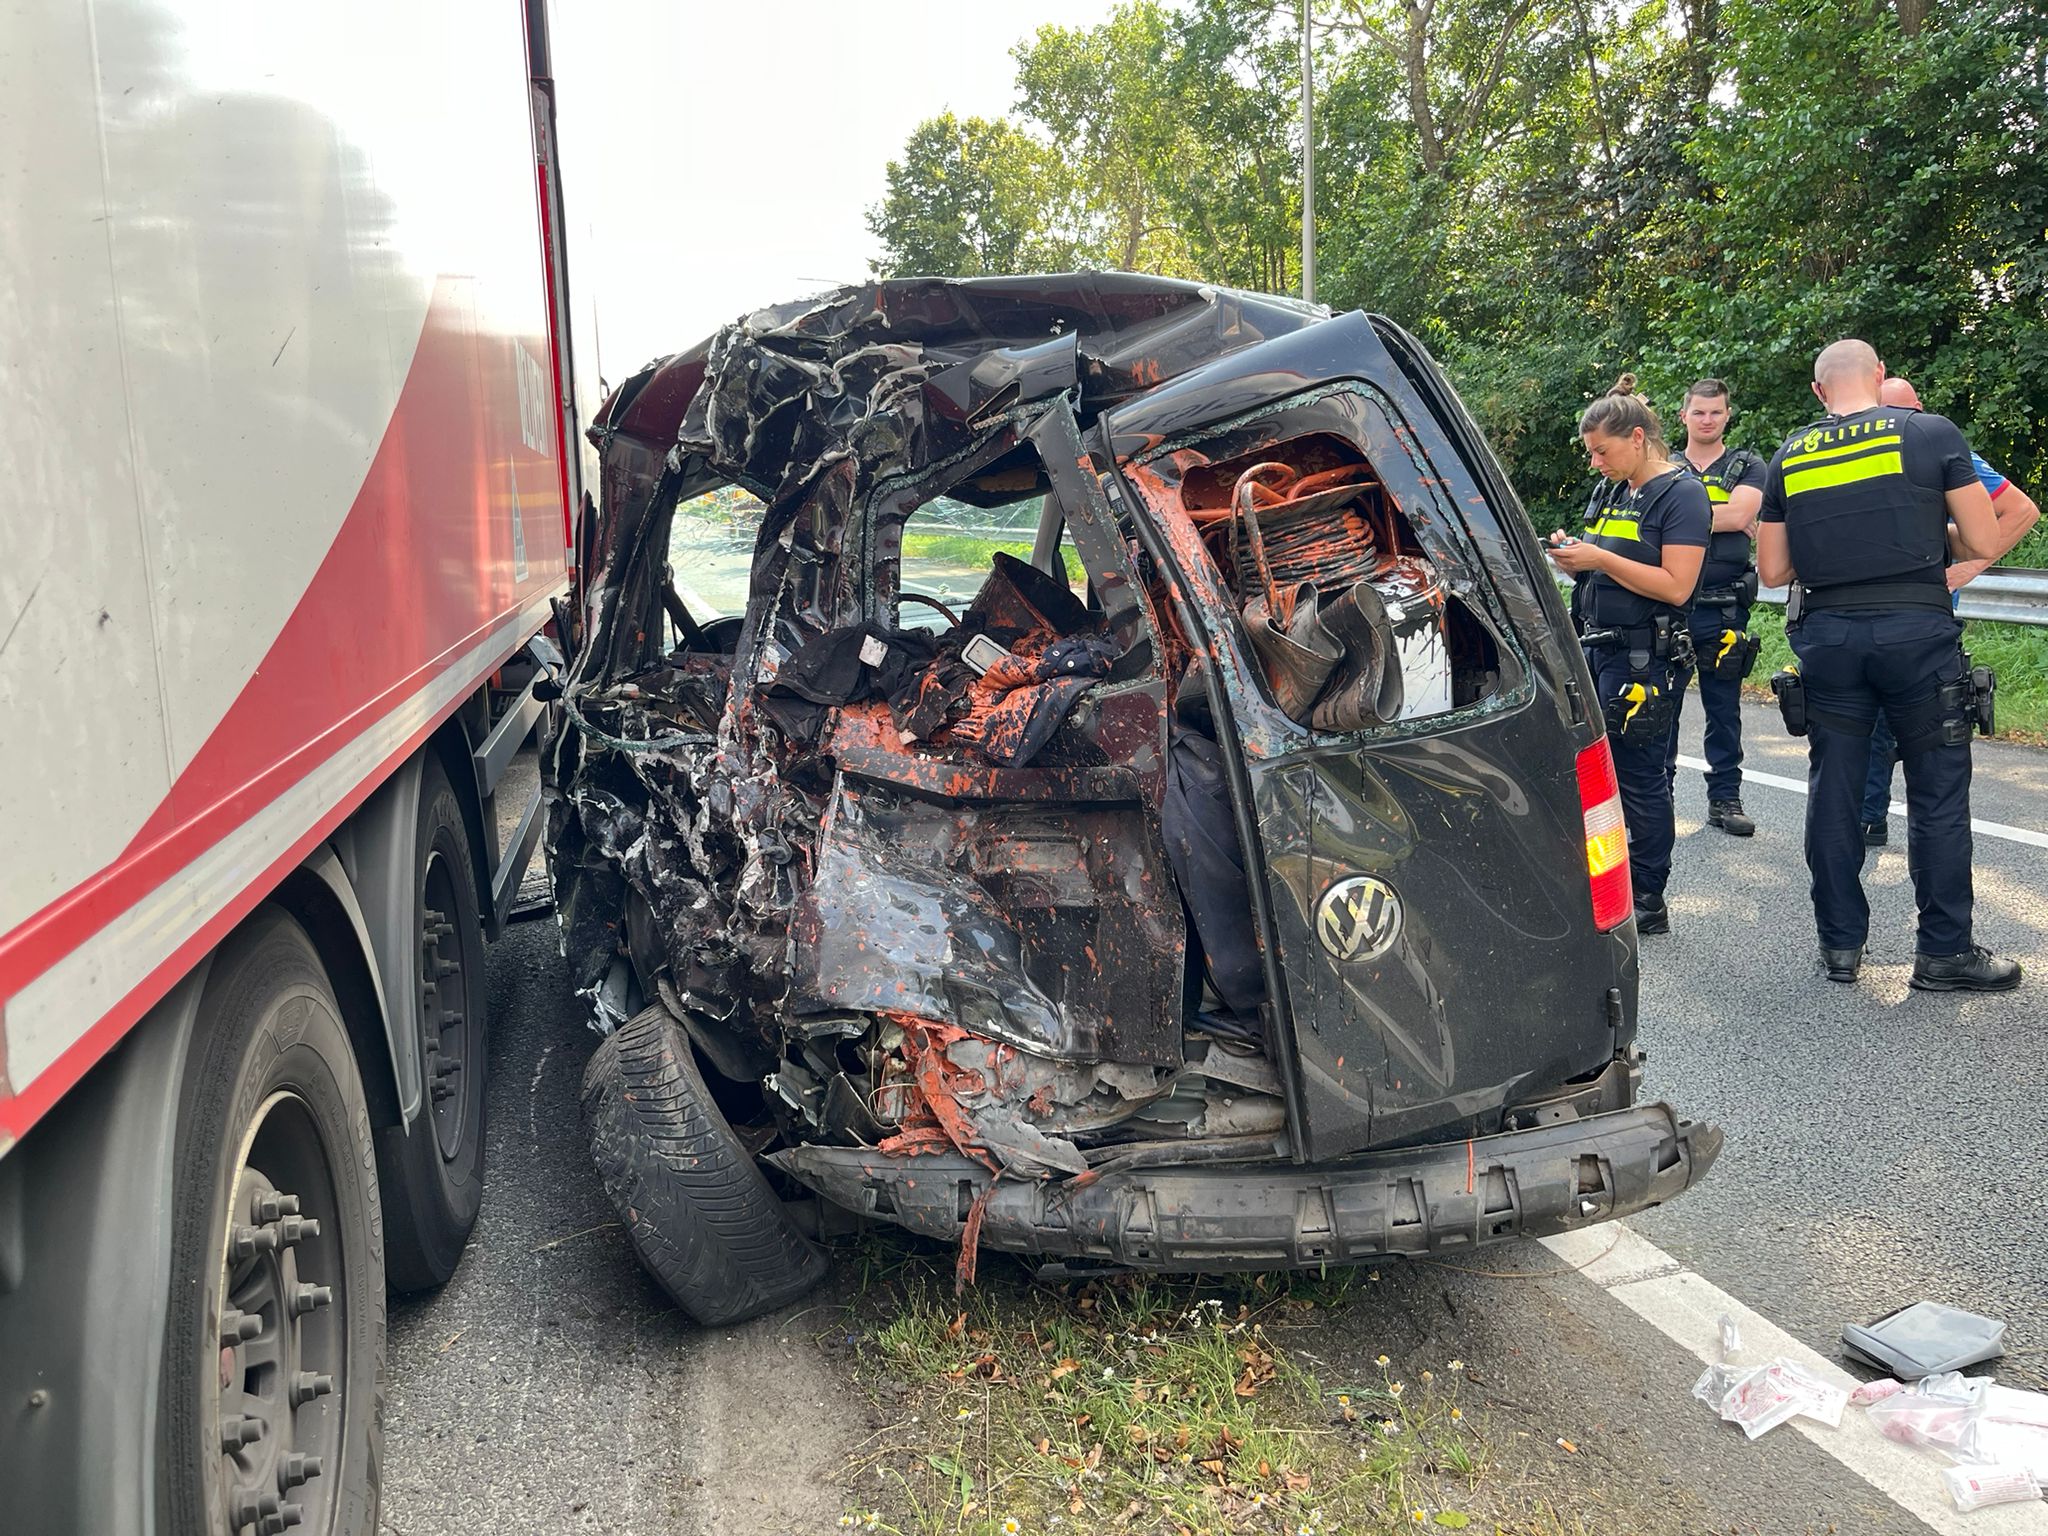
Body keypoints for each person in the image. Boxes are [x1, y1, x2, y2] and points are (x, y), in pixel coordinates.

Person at [1756, 340, 2031, 989]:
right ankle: (1943, 953)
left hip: (1828, 636)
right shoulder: (1930, 434)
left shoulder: (1790, 454)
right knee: (1936, 792)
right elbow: (1986, 538)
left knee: (1835, 789)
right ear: (1878, 379)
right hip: (1916, 634)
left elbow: (1772, 568)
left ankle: (1841, 949)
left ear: (1821, 392)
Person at [1549, 375, 1709, 936]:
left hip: (1644, 658)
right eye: (1590, 452)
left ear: (1637, 437)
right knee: (1595, 775)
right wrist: (1575, 553)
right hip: (1595, 649)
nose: (1595, 462)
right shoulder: (1613, 491)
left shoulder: (1683, 494)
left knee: (1640, 779)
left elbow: (1676, 586)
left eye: (1603, 450)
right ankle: (1604, 882)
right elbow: (1604, 555)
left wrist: (1599, 560)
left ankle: (1648, 897)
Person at [1858, 375, 2040, 848]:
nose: (1896, 422)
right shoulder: (1856, 449)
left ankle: (1927, 839)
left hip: (1928, 617)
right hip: (1869, 612)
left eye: (1905, 412)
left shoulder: (1945, 451)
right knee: (1870, 727)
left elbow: (2021, 511)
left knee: (1928, 735)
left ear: (1920, 409)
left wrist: (1972, 565)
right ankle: (1870, 817)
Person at [1667, 379, 1767, 837]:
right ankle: (1657, 796)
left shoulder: (1746, 464)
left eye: (1715, 412)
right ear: (1683, 416)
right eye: (1699, 412)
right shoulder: (1664, 464)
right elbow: (1722, 517)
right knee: (1659, 706)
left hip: (1725, 607)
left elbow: (1740, 517)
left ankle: (1724, 799)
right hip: (1669, 603)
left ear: (1728, 415)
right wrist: (1720, 512)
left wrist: (1679, 514)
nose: (1707, 420)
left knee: (1723, 709)